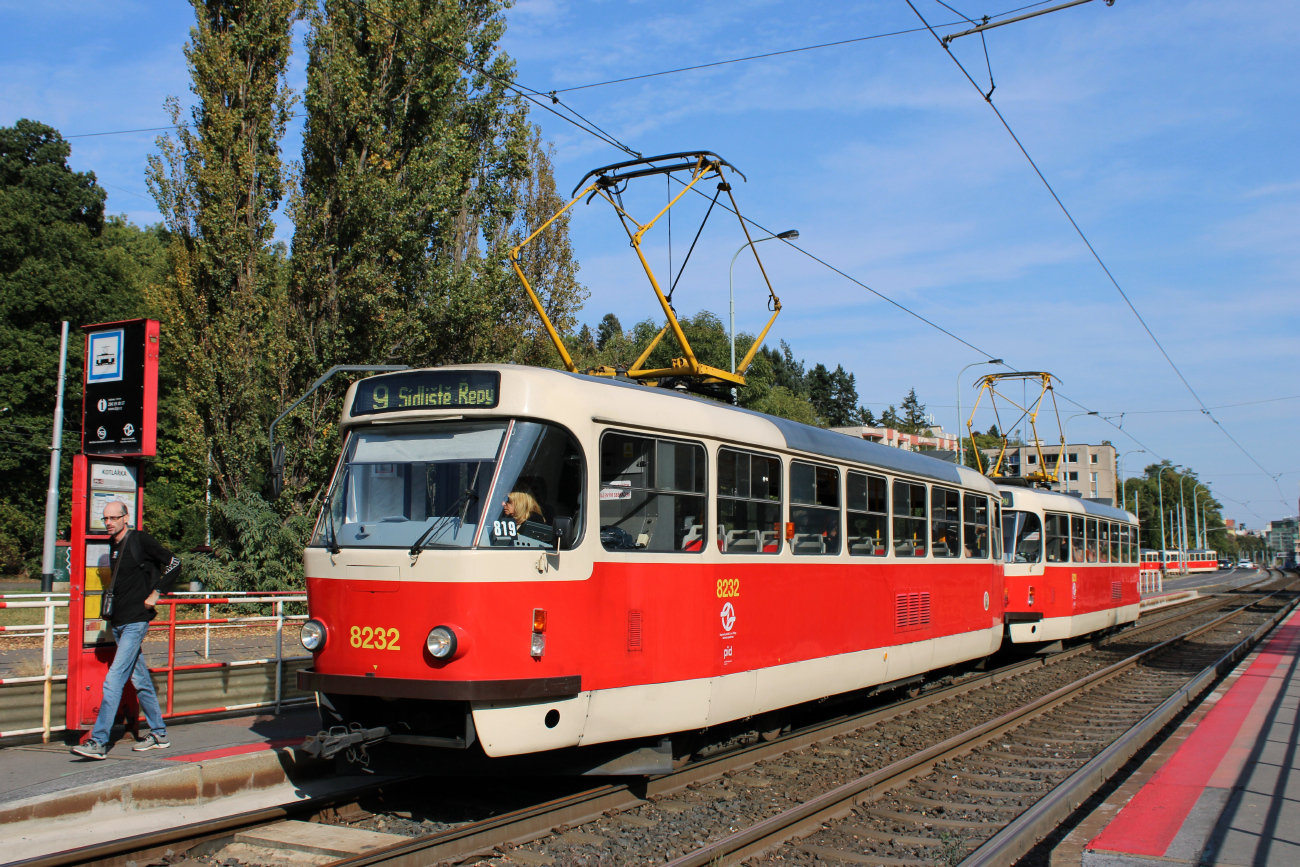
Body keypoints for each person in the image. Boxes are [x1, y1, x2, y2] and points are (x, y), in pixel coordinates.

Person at [72, 501, 181, 760]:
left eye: (113, 518)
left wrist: (156, 593)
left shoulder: (140, 539)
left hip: (135, 621)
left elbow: (175, 563)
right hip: (119, 622)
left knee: (113, 680)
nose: (109, 522)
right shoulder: (113, 545)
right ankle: (159, 734)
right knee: (140, 679)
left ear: (126, 517)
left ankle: (98, 742)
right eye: (105, 518)